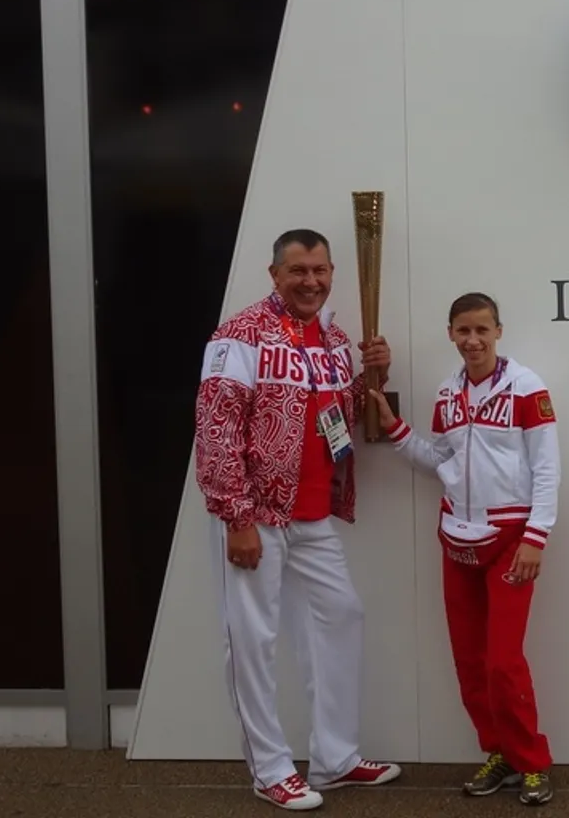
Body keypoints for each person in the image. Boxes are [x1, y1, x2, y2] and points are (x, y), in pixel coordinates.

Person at [194, 228, 401, 812]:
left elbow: (338, 413)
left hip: (312, 513)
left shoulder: (333, 338)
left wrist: (373, 376)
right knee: (252, 640)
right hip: (255, 512)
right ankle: (270, 770)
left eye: (320, 271)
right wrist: (236, 516)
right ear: (275, 275)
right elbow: (215, 428)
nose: (311, 281)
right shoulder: (240, 335)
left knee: (342, 615)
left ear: (332, 273)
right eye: (298, 271)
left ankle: (335, 757)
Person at [369, 292, 559, 807]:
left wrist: (536, 536)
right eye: (463, 331)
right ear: (451, 334)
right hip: (456, 538)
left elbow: (547, 468)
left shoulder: (527, 387)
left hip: (511, 539)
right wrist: (396, 429)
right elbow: (442, 460)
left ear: (499, 331)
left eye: (482, 330)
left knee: (502, 662)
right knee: (470, 661)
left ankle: (532, 761)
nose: (473, 341)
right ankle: (499, 753)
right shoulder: (447, 391)